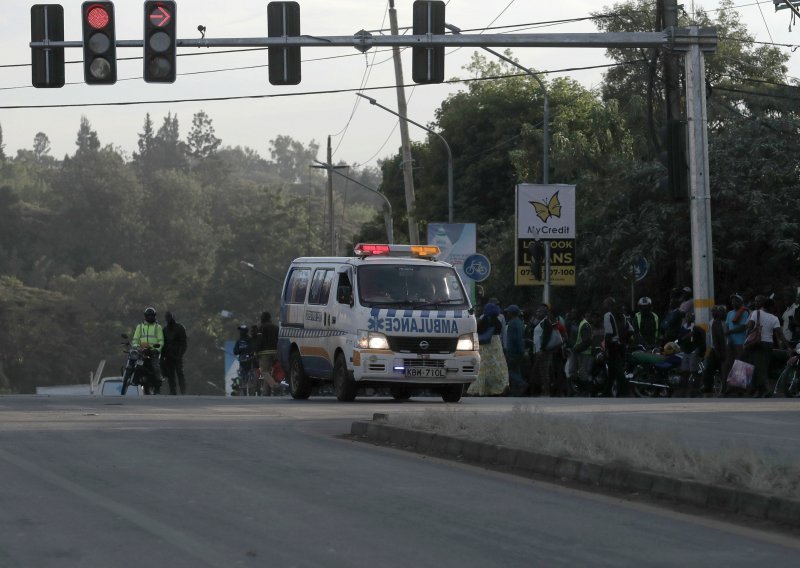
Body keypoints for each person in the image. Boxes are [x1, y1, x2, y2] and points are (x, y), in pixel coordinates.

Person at [745, 295, 787, 397]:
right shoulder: (774, 318)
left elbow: (749, 328)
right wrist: (788, 346)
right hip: (767, 345)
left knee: (756, 366)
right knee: (762, 367)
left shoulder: (756, 313)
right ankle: (761, 390)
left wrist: (748, 337)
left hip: (755, 343)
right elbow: (780, 334)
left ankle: (762, 390)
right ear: (771, 307)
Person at [467, 303, 509, 396]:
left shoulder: (483, 319)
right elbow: (502, 333)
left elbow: (475, 329)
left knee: (482, 368)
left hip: (485, 347)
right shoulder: (498, 320)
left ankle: (479, 389)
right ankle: (498, 388)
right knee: (498, 368)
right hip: (496, 347)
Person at [131, 306, 164, 392]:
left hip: (153, 351)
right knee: (137, 363)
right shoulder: (140, 327)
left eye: (152, 315)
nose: (150, 317)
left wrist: (157, 349)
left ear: (154, 316)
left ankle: (158, 382)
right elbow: (135, 339)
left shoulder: (158, 327)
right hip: (142, 351)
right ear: (145, 316)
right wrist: (136, 346)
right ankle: (135, 379)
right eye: (148, 315)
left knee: (156, 367)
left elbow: (161, 341)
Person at [723, 293, 750, 388]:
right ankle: (728, 387)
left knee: (739, 363)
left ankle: (739, 388)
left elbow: (743, 327)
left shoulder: (744, 312)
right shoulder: (730, 313)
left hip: (740, 342)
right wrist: (728, 335)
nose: (733, 302)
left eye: (736, 300)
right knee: (729, 363)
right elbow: (726, 326)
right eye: (732, 301)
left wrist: (730, 332)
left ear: (741, 302)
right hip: (730, 342)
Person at [602, 297, 627, 397]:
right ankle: (607, 392)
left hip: (613, 345)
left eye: (605, 304)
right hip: (622, 345)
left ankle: (624, 391)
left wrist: (606, 349)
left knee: (616, 369)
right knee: (612, 370)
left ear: (608, 305)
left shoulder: (608, 315)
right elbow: (629, 330)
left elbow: (608, 333)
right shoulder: (623, 316)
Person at [161, 311, 188, 395]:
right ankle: (173, 391)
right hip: (168, 356)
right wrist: (162, 356)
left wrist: (180, 354)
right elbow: (163, 344)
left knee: (180, 373)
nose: (168, 319)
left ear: (173, 317)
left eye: (170, 317)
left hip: (177, 355)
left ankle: (183, 392)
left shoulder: (180, 328)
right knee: (170, 375)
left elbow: (184, 343)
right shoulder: (165, 330)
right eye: (167, 317)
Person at [503, 305, 528, 396]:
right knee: (517, 370)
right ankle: (517, 391)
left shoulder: (512, 323)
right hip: (518, 350)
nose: (507, 314)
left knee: (510, 371)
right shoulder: (520, 322)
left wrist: (521, 350)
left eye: (508, 312)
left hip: (513, 351)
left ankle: (521, 384)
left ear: (511, 313)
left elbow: (516, 339)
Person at [255, 311, 282, 396]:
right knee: (269, 372)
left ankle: (275, 385)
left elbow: (259, 340)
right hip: (275, 352)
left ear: (262, 318)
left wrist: (256, 351)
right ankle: (266, 392)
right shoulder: (276, 327)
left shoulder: (262, 327)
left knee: (264, 372)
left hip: (265, 353)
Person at [703, 305, 727, 396]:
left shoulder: (725, 322)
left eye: (715, 311)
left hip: (725, 348)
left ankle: (724, 388)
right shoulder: (711, 322)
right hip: (714, 348)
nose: (714, 313)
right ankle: (707, 387)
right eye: (712, 311)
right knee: (708, 368)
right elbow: (709, 338)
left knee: (723, 369)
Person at [232, 324, 255, 396]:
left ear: (244, 331)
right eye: (240, 330)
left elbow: (236, 352)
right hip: (246, 362)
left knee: (245, 377)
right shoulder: (242, 340)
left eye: (241, 331)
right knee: (244, 378)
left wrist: (242, 351)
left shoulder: (242, 341)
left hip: (247, 362)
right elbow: (235, 352)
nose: (240, 332)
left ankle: (249, 392)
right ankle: (247, 392)